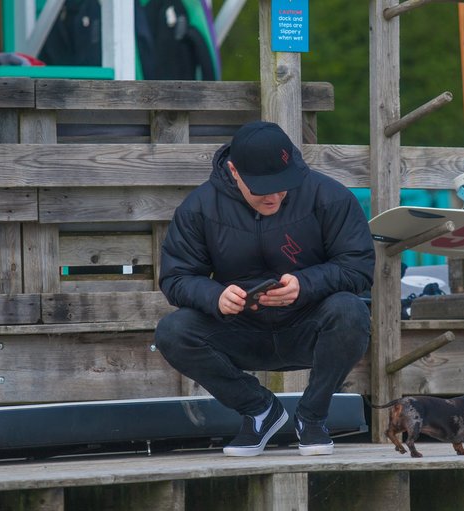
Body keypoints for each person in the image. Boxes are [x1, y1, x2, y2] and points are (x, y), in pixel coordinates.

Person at [154, 120, 375, 457]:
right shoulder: (198, 207)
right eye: (261, 188)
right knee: (173, 330)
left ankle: (313, 417)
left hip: (308, 324)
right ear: (234, 171)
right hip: (241, 330)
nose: (273, 196)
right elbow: (176, 277)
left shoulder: (329, 195)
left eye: (282, 185)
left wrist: (305, 284)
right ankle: (259, 410)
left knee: (351, 310)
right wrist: (215, 296)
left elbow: (358, 266)